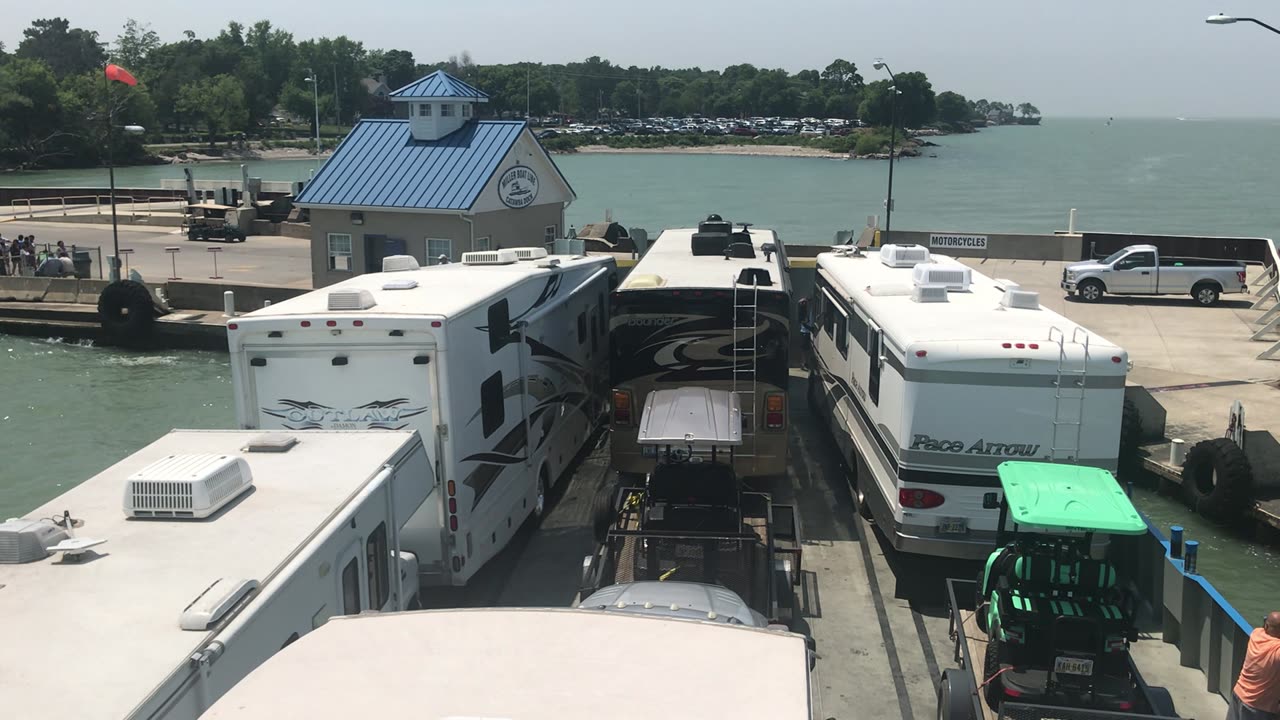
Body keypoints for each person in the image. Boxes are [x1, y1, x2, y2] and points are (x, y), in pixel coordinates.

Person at [1229, 612, 1280, 719]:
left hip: (1239, 694)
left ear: (1266, 626)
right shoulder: (1276, 651)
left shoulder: (1256, 635)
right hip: (1258, 707)